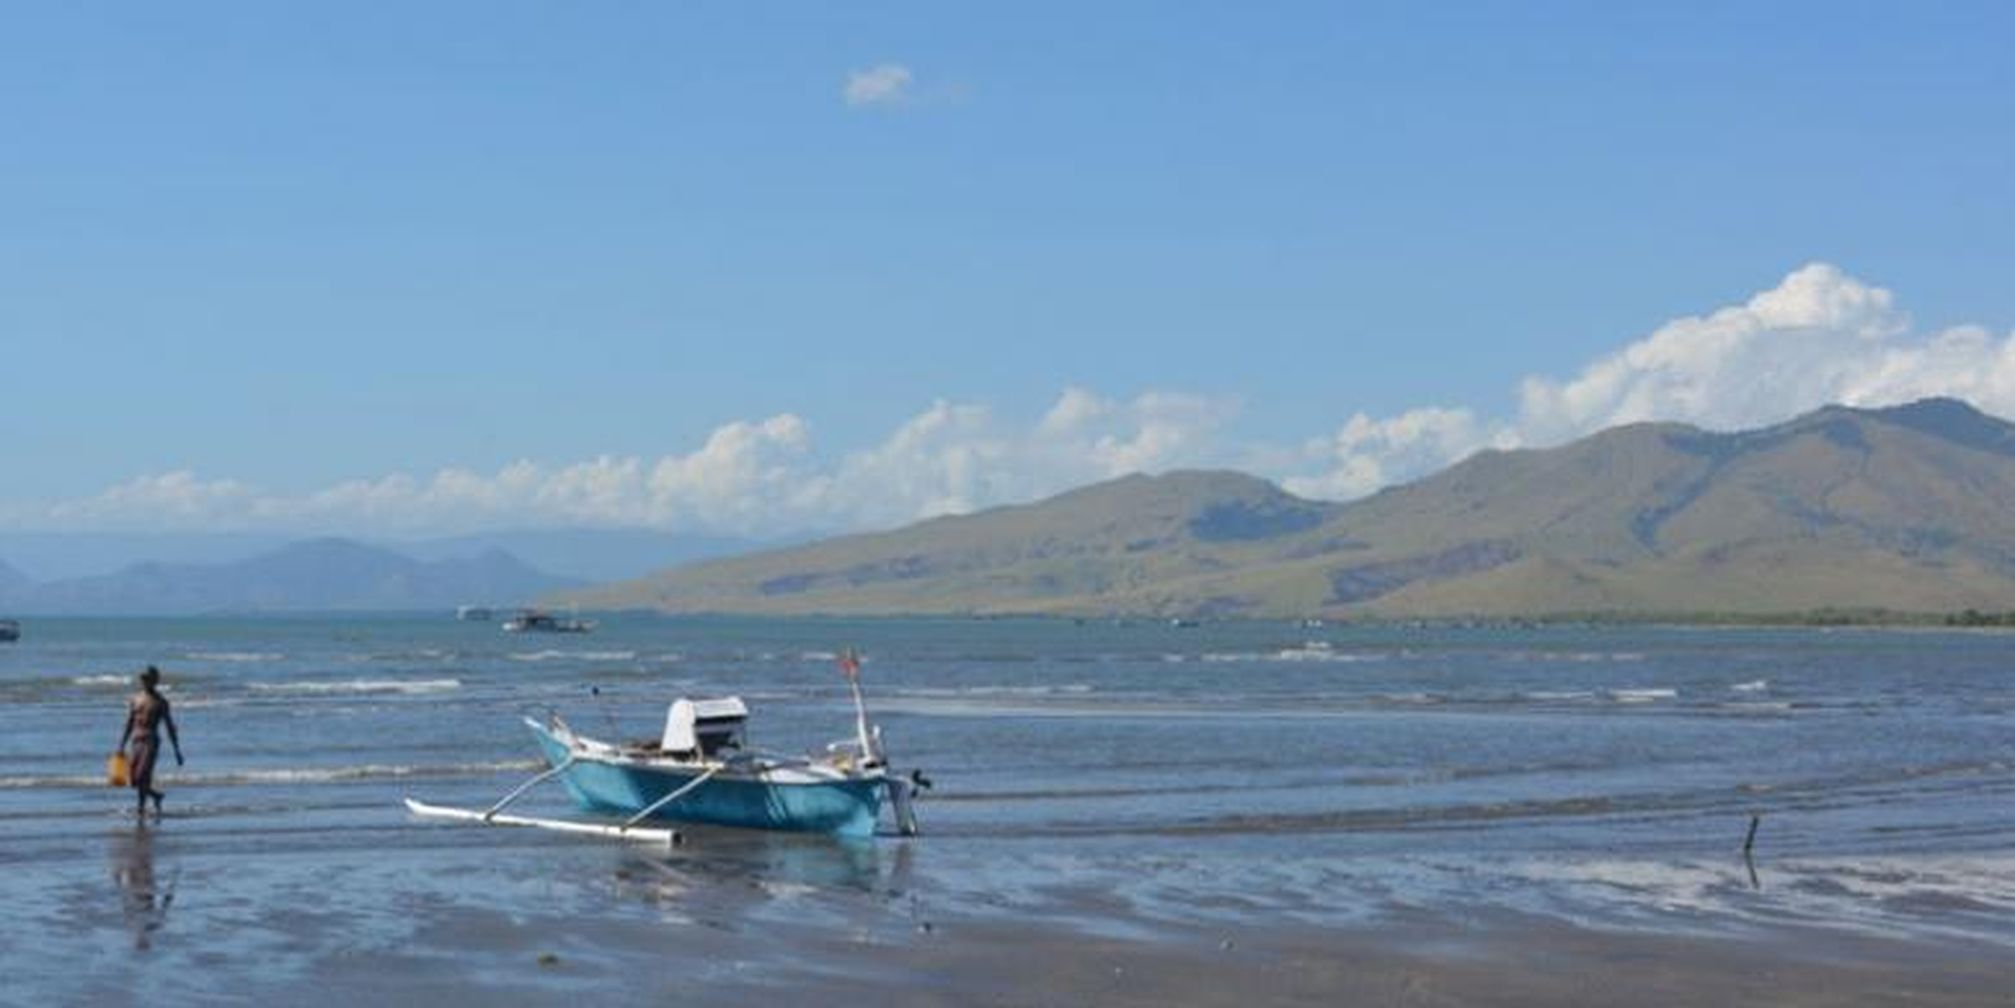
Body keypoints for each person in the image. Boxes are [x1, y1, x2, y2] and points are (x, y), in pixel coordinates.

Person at [118, 665, 183, 820]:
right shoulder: (135, 699)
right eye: (143, 679)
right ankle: (156, 796)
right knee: (133, 779)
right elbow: (129, 723)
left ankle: (140, 809)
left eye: (148, 678)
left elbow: (170, 726)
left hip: (151, 740)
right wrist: (121, 744)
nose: (145, 681)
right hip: (136, 739)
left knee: (143, 776)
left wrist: (177, 750)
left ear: (155, 680)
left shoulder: (161, 702)